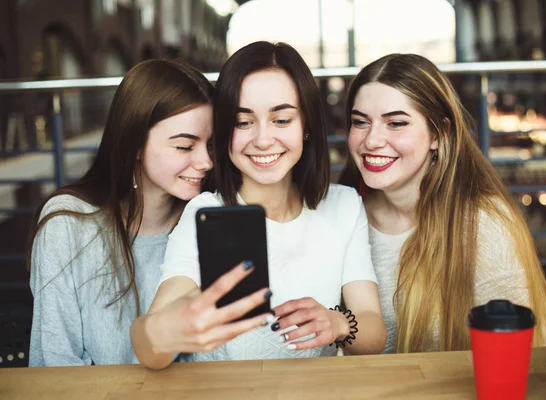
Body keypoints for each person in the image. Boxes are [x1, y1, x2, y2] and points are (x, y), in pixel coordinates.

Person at [131, 41, 386, 370]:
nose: (263, 140)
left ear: (306, 125)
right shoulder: (205, 212)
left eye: (281, 120)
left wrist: (337, 324)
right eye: (243, 122)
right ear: (224, 131)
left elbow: (373, 331)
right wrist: (169, 330)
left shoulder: (344, 206)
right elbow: (148, 345)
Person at [28, 58, 271, 366]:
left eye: (210, 146)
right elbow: (54, 361)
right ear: (135, 144)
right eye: (184, 146)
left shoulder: (211, 219)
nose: (206, 162)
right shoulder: (69, 223)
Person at [339, 53, 546, 354]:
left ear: (438, 133)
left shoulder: (483, 224)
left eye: (395, 123)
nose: (372, 140)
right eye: (360, 122)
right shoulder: (344, 217)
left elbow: (516, 354)